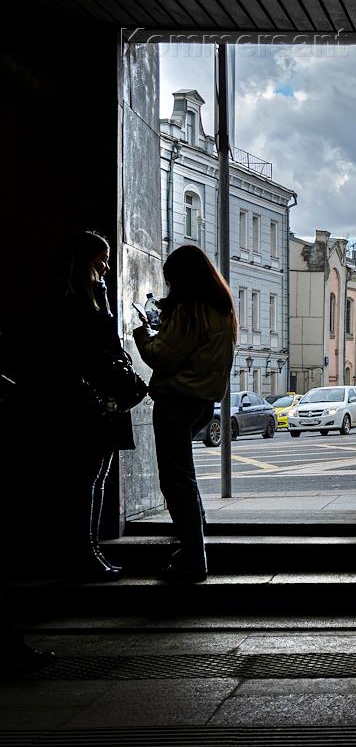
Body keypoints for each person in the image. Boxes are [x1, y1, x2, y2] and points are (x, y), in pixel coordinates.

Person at [133, 246, 236, 583]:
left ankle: (194, 557)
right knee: (184, 477)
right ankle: (194, 547)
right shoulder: (222, 307)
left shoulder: (191, 310)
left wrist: (143, 333)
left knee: (176, 480)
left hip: (177, 398)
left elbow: (163, 355)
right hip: (203, 401)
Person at [62, 231, 135, 580]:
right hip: (94, 399)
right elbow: (107, 340)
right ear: (89, 260)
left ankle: (89, 550)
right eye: (103, 260)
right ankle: (86, 551)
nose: (107, 267)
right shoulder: (84, 298)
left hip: (91, 398)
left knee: (94, 477)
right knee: (91, 478)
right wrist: (104, 302)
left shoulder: (73, 296)